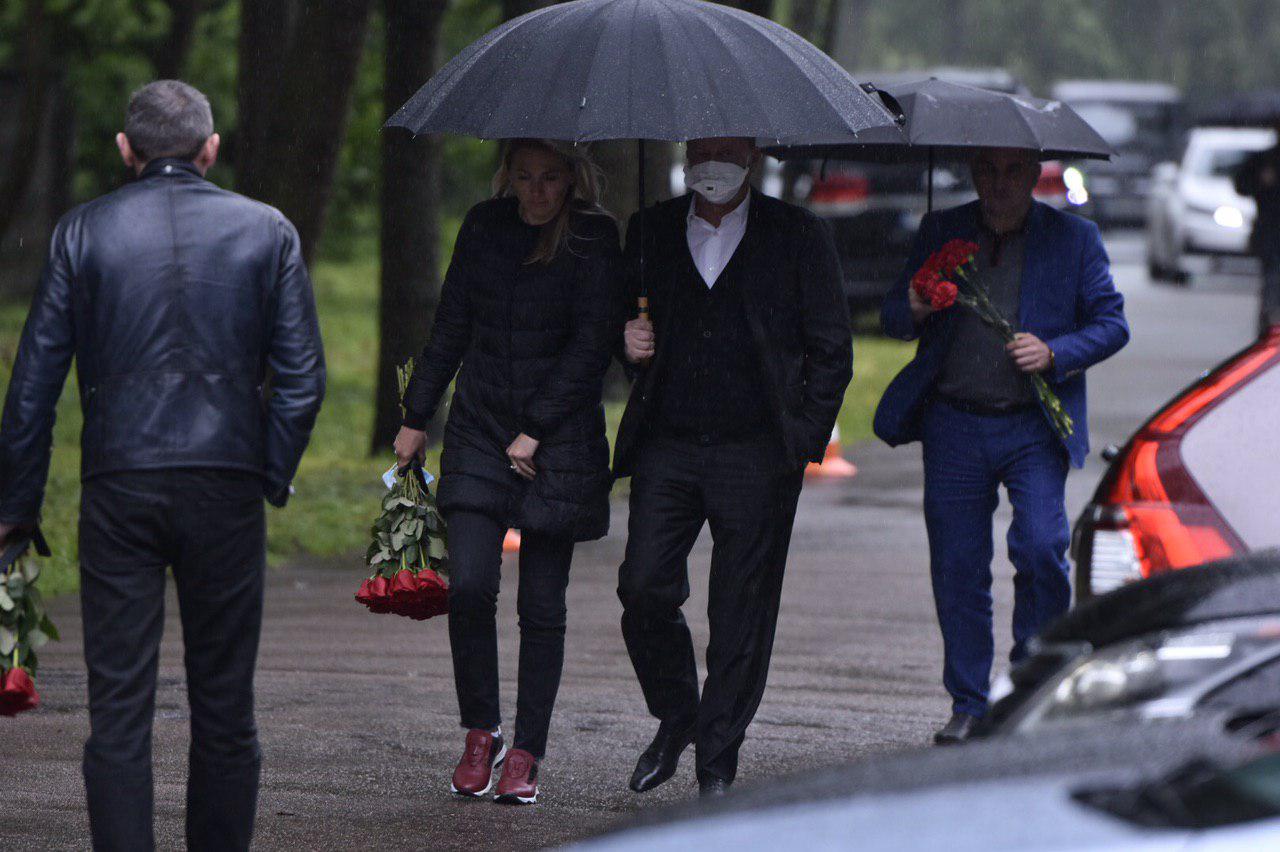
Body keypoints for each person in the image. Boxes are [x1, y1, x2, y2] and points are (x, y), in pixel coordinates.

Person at [0, 80, 325, 851]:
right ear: (211, 149)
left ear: (126, 149)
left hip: (120, 483)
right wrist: (268, 472)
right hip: (226, 483)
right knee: (225, 705)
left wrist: (16, 508)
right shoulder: (268, 230)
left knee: (118, 709)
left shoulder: (82, 232)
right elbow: (304, 379)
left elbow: (32, 386)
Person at [614, 137, 852, 796]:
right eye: (703, 144)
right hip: (668, 443)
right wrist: (625, 340)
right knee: (643, 586)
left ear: (753, 152)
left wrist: (799, 441)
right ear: (686, 149)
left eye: (728, 145)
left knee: (741, 612)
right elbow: (617, 320)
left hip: (758, 450)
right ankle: (677, 713)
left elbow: (832, 348)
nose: (714, 157)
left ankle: (716, 761)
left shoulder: (798, 235)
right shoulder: (650, 229)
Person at [875, 147, 1129, 744]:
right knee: (958, 567)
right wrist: (912, 304)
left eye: (1014, 170)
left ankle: (1028, 687)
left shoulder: (1074, 238)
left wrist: (1056, 352)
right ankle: (968, 702)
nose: (1000, 183)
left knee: (1042, 548)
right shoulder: (942, 229)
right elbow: (892, 317)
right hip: (954, 424)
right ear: (973, 174)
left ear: (1035, 174)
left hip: (1032, 425)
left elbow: (1112, 324)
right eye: (987, 170)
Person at [394, 139, 619, 805]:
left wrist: (538, 427)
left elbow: (592, 347)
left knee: (541, 604)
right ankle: (481, 730)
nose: (536, 191)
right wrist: (416, 415)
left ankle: (526, 750)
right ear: (507, 177)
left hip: (561, 438)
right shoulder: (484, 226)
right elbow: (451, 324)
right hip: (480, 427)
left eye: (549, 178)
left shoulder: (594, 237)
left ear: (572, 178)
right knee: (468, 585)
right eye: (524, 177)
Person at [1233, 126, 1280, 336]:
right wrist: (1261, 181)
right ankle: (1269, 329)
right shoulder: (1265, 160)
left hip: (1269, 233)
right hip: (1271, 234)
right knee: (1272, 281)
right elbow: (1241, 185)